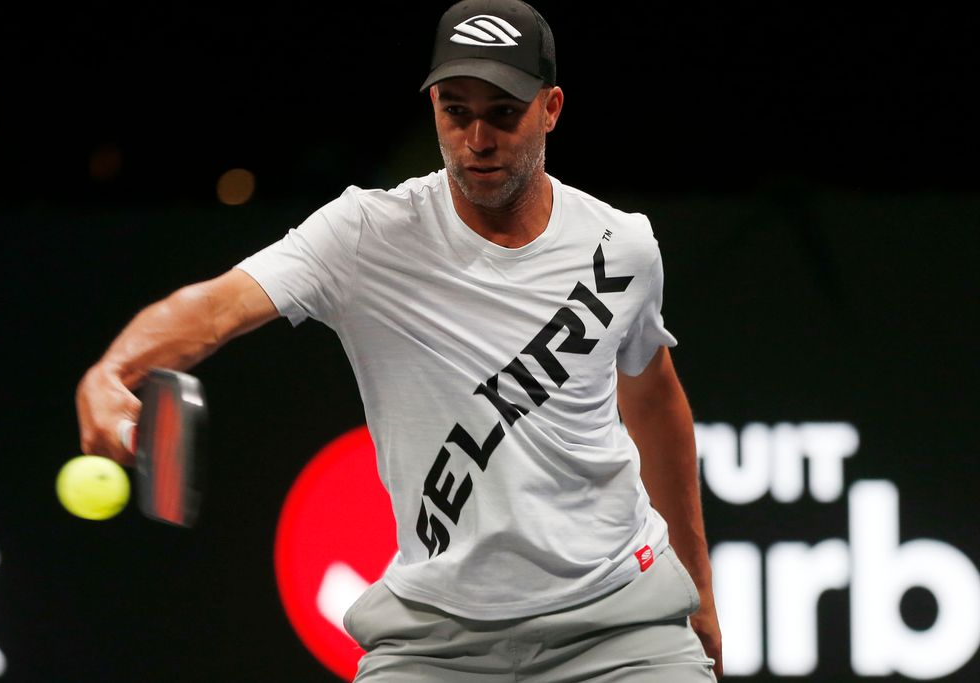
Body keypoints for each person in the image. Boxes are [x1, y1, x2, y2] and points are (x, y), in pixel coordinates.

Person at [76, 0, 723, 680]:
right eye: (455, 110)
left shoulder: (621, 246)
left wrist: (700, 588)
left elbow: (655, 405)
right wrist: (113, 371)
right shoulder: (366, 233)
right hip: (438, 643)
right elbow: (213, 309)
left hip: (618, 626)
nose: (478, 137)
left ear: (551, 108)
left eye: (503, 112)